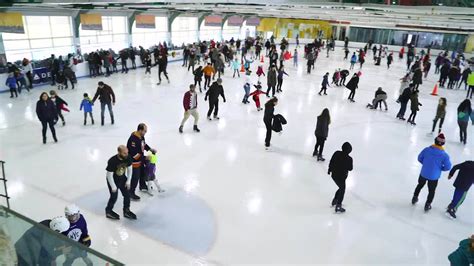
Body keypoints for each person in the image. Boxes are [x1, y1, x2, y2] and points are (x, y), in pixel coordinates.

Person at [412, 133, 452, 212]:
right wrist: (440, 168)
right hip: (434, 176)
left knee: (420, 185)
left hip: (423, 173)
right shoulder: (444, 155)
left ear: (435, 141)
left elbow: (419, 158)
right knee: (431, 190)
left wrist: (426, 164)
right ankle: (428, 204)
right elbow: (448, 167)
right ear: (443, 143)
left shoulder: (427, 150)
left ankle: (414, 198)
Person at [105, 145, 136, 220]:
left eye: (127, 152)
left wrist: (128, 181)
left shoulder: (128, 157)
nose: (127, 154)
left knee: (127, 195)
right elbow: (109, 174)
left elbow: (130, 169)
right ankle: (108, 211)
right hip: (113, 180)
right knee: (114, 197)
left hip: (122, 179)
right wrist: (113, 186)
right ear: (119, 152)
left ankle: (126, 210)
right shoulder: (112, 161)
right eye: (124, 153)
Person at [127, 123, 156, 200]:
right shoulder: (133, 140)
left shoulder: (141, 136)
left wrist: (150, 149)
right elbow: (134, 155)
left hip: (141, 160)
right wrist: (145, 158)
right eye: (145, 131)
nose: (145, 132)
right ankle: (131, 193)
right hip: (134, 162)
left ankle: (142, 186)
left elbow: (144, 144)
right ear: (140, 130)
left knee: (142, 173)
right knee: (135, 177)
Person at [328, 142, 353, 213]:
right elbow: (350, 168)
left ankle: (335, 200)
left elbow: (331, 161)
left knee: (341, 188)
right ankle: (338, 205)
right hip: (342, 177)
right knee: (342, 189)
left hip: (334, 175)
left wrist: (329, 169)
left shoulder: (337, 153)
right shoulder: (349, 159)